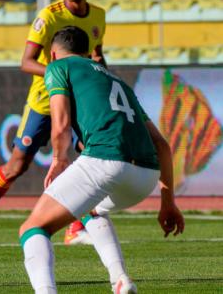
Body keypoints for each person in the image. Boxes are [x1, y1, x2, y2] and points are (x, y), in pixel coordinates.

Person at [19, 26, 185, 293]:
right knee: (91, 208)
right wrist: (168, 202)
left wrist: (60, 159)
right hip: (145, 177)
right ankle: (120, 280)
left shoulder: (58, 67)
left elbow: (60, 124)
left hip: (106, 161)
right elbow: (163, 146)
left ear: (52, 54)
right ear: (88, 53)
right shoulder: (117, 81)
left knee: (32, 228)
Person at [0, 0, 105, 247]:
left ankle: (75, 228)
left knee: (91, 158)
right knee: (16, 166)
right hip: (44, 101)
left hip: (79, 100)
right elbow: (26, 61)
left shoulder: (99, 17)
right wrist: (62, 72)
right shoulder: (48, 17)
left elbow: (97, 54)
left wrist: (100, 73)